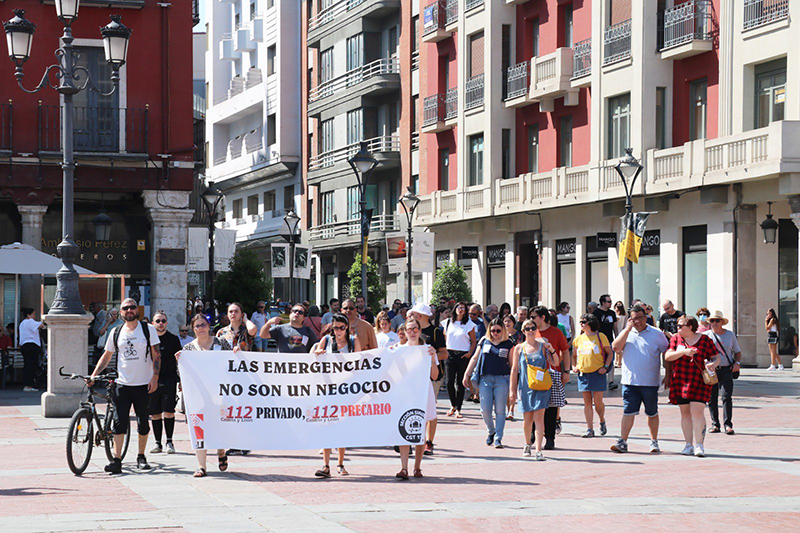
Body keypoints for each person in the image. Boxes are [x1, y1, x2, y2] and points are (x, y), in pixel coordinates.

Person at [89, 297, 161, 473]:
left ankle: (141, 456)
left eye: (132, 307)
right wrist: (93, 375)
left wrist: (155, 378)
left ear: (137, 310)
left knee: (143, 422)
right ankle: (117, 459)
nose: (129, 310)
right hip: (122, 384)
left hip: (143, 384)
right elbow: (106, 356)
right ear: (121, 312)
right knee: (119, 423)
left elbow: (157, 355)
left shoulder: (148, 329)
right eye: (125, 308)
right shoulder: (116, 332)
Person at [177, 313, 233, 477]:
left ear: (209, 326)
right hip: (198, 395)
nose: (201, 328)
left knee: (219, 426)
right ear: (192, 329)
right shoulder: (188, 349)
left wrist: (236, 352)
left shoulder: (220, 343)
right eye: (197, 326)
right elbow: (182, 375)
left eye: (203, 325)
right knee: (199, 428)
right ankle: (201, 466)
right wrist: (179, 362)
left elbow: (232, 364)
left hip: (219, 393)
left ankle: (221, 451)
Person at [609, 304, 669, 454]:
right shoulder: (626, 333)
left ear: (646, 317)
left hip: (650, 382)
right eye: (634, 319)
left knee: (652, 412)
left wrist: (668, 374)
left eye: (641, 318)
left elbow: (666, 353)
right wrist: (627, 329)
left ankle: (654, 441)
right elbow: (616, 348)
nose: (638, 321)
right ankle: (623, 441)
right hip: (630, 382)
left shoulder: (656, 334)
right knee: (628, 412)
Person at [311, 314, 361, 478]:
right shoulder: (326, 340)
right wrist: (318, 353)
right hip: (328, 388)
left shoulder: (353, 341)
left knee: (342, 425)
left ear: (347, 327)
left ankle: (340, 463)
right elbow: (315, 357)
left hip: (346, 389)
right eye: (335, 328)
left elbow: (360, 363)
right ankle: (326, 465)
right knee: (326, 424)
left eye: (341, 327)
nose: (338, 331)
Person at [665, 315, 719, 457]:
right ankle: (688, 444)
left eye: (680, 326)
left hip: (699, 381)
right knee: (685, 413)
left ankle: (699, 445)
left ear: (690, 327)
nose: (677, 328)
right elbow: (667, 356)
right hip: (681, 380)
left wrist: (713, 364)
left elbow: (716, 356)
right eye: (677, 325)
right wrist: (683, 351)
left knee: (698, 412)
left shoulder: (705, 340)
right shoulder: (676, 339)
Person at [395, 317, 439, 480]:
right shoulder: (399, 349)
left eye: (415, 329)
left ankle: (417, 466)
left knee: (419, 428)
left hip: (422, 391)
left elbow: (434, 375)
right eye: (409, 329)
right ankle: (404, 467)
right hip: (406, 392)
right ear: (404, 332)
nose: (412, 332)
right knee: (404, 429)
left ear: (420, 331)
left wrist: (433, 358)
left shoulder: (427, 349)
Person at [510, 319, 558, 460]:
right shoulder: (519, 348)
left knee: (539, 418)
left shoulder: (543, 346)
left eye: (533, 328)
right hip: (525, 387)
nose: (530, 331)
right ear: (523, 331)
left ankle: (538, 450)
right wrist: (512, 390)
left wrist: (551, 349)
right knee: (527, 419)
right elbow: (514, 370)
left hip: (541, 386)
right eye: (527, 328)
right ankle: (527, 444)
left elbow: (555, 362)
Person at [464, 318, 514, 448]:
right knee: (485, 409)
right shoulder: (484, 341)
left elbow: (513, 365)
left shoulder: (508, 343)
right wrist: (467, 374)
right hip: (485, 379)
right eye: (492, 331)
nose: (495, 333)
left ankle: (498, 438)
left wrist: (513, 384)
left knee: (500, 410)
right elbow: (475, 357)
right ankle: (491, 431)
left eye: (498, 330)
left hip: (502, 379)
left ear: (503, 330)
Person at [410, 303, 447, 455]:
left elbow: (444, 354)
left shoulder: (436, 332)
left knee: (430, 409)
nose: (413, 317)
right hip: (414, 376)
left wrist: (430, 357)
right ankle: (415, 438)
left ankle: (429, 441)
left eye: (415, 314)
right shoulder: (410, 330)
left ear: (421, 316)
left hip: (432, 376)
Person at [530, 307, 569, 449]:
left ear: (543, 317)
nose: (531, 319)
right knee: (534, 405)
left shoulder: (556, 332)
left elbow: (565, 351)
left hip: (552, 373)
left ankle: (550, 438)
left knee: (551, 407)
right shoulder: (531, 332)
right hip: (534, 374)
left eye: (534, 317)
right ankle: (533, 434)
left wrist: (566, 371)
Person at [148, 311, 182, 455]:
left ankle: (169, 441)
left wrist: (181, 380)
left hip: (170, 379)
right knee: (155, 413)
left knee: (169, 412)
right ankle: (157, 443)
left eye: (163, 321)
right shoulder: (148, 339)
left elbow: (181, 361)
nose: (160, 323)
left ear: (166, 323)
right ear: (153, 323)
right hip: (152, 379)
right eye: (158, 321)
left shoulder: (173, 339)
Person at [573, 314, 613, 438]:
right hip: (583, 373)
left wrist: (605, 367)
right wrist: (574, 366)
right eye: (580, 321)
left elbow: (610, 353)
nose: (581, 323)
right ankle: (589, 428)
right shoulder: (578, 339)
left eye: (583, 321)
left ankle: (602, 420)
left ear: (590, 323)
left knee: (598, 402)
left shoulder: (600, 337)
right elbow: (573, 355)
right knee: (587, 402)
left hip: (597, 373)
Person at [704, 311, 741, 435]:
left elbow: (737, 351)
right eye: (712, 321)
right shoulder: (706, 335)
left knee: (726, 396)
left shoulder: (730, 335)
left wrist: (737, 363)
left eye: (717, 321)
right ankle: (715, 424)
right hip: (712, 371)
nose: (714, 323)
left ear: (722, 322)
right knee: (711, 398)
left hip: (726, 369)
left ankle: (728, 424)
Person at [443, 301, 476, 419]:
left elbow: (473, 341)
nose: (460, 309)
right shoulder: (447, 322)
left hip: (463, 356)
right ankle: (453, 405)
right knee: (449, 382)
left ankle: (458, 408)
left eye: (463, 308)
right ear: (455, 309)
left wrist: (469, 353)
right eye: (458, 307)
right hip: (450, 354)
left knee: (461, 383)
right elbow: (445, 338)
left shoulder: (469, 324)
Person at [592, 294, 618, 389]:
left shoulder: (612, 313)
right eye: (609, 301)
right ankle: (599, 379)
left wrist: (617, 338)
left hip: (610, 340)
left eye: (611, 301)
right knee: (600, 360)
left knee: (611, 359)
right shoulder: (596, 313)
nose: (610, 303)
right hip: (599, 341)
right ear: (603, 302)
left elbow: (615, 326)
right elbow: (594, 327)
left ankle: (611, 381)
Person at [19, 308, 45, 392]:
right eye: (33, 314)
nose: (34, 316)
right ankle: (29, 385)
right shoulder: (30, 321)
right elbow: (41, 325)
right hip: (31, 346)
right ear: (28, 315)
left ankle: (27, 384)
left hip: (24, 346)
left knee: (27, 365)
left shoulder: (22, 323)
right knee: (32, 366)